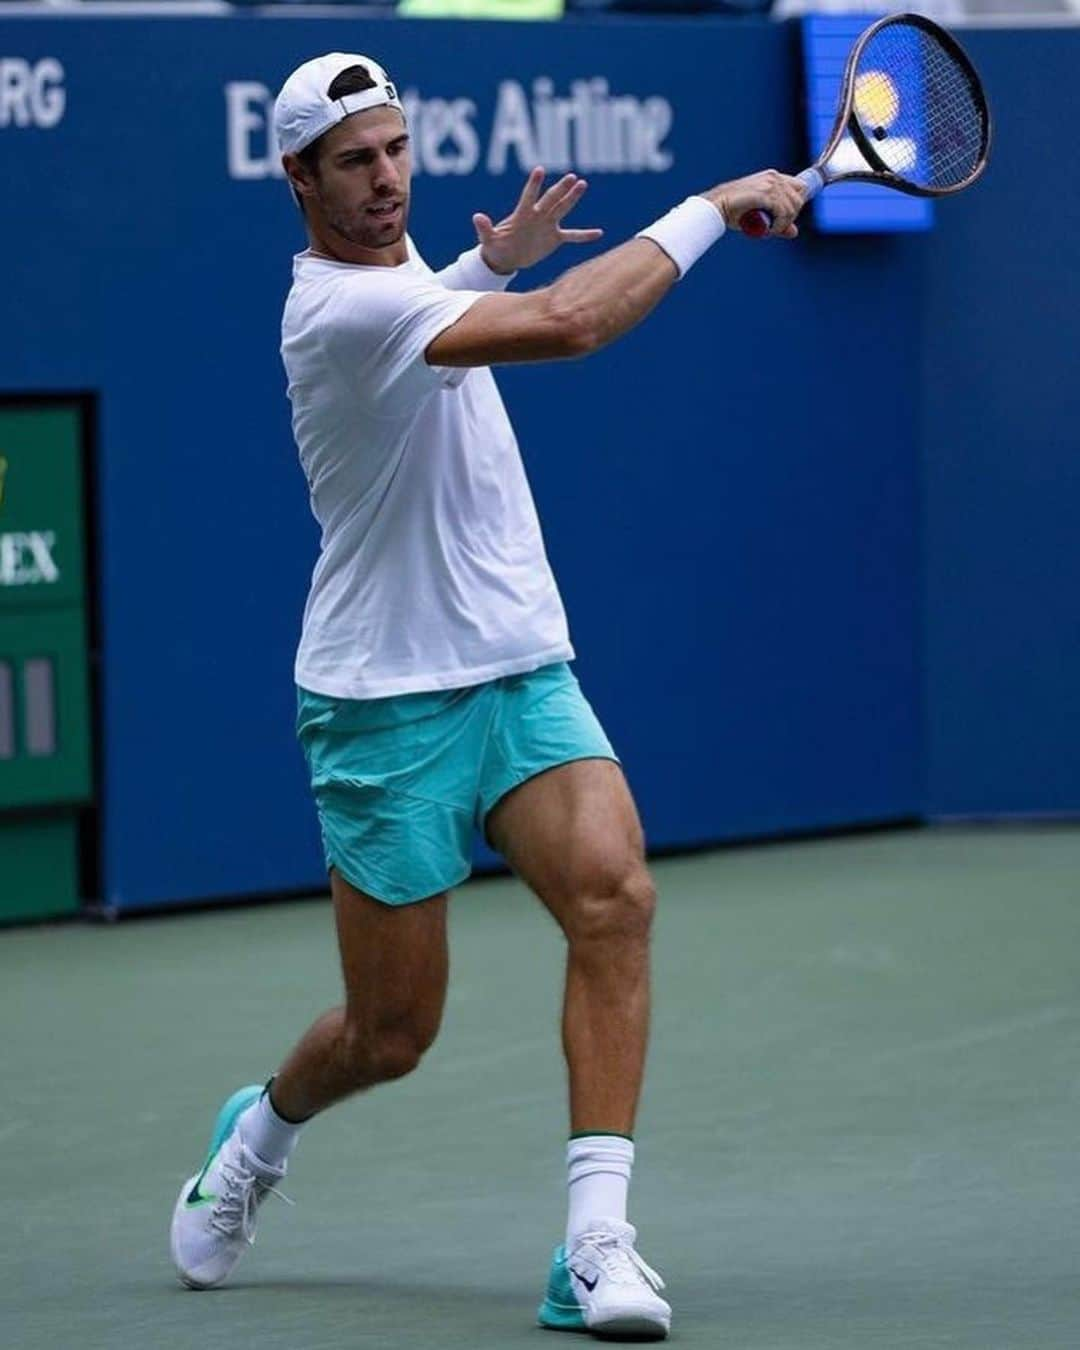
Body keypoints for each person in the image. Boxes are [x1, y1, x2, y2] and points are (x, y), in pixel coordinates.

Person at [169, 51, 804, 1340]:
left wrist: (483, 264)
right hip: (380, 701)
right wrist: (712, 204)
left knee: (615, 897)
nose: (389, 178)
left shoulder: (400, 281)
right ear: (297, 179)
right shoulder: (328, 311)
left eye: (397, 149)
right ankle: (260, 1137)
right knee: (392, 1034)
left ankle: (594, 1243)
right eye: (356, 162)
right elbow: (571, 327)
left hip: (517, 661)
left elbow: (434, 340)